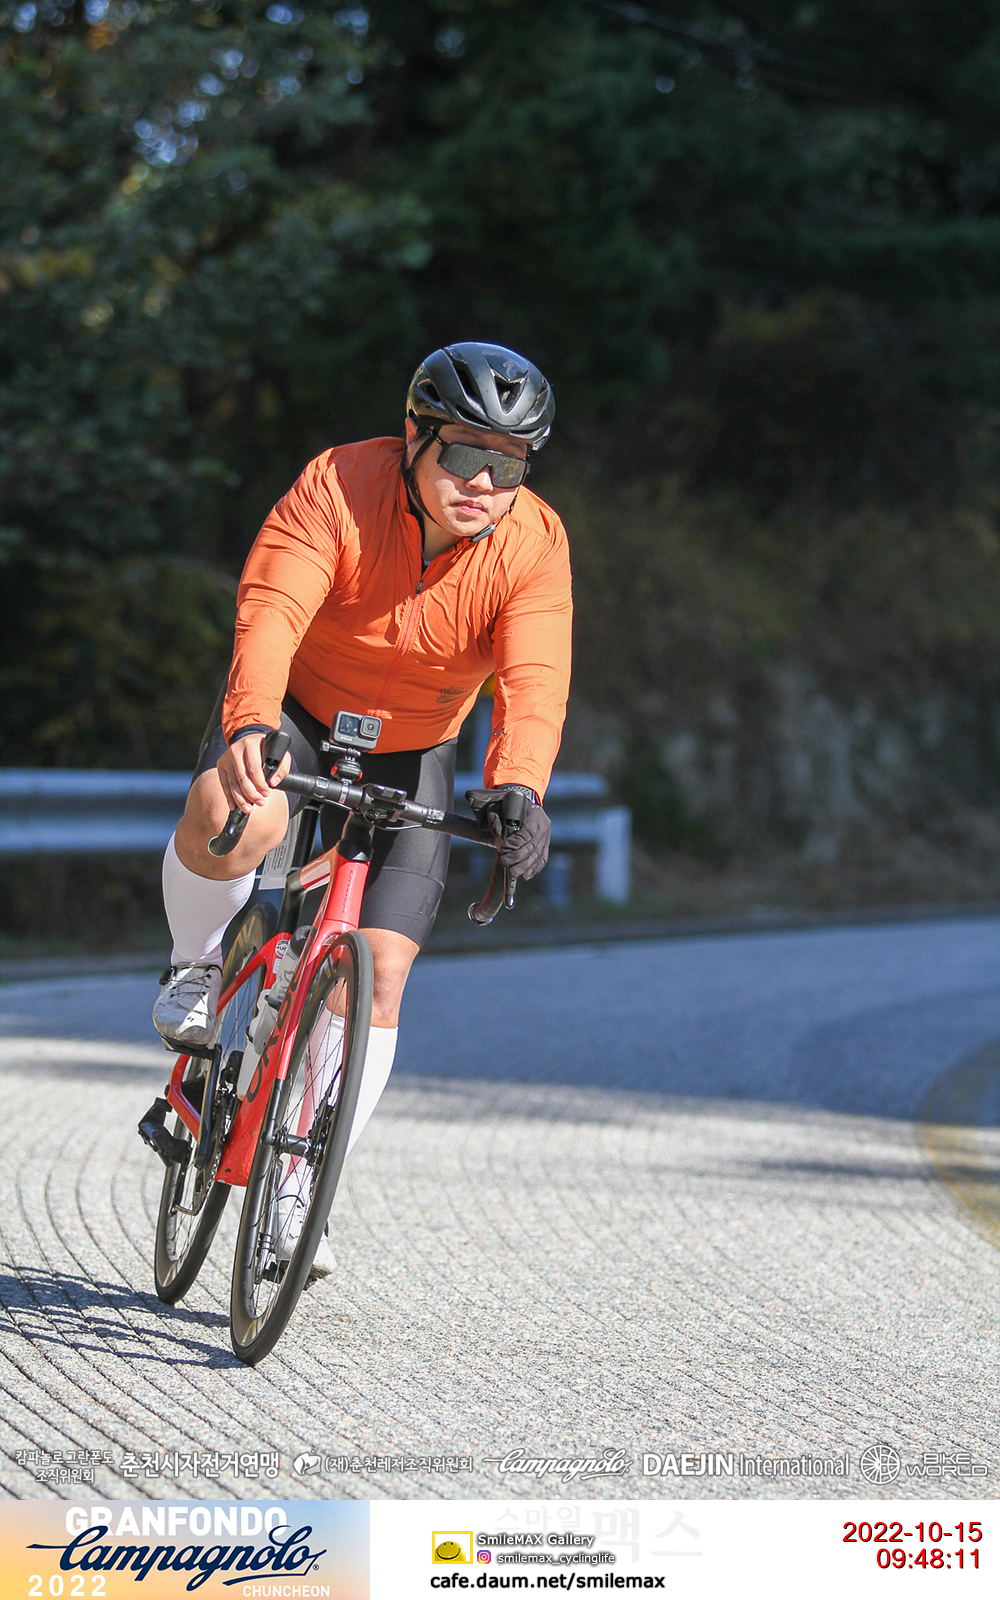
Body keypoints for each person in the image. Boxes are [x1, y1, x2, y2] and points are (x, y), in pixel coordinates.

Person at [151, 341, 573, 1267]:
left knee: (380, 971)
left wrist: (519, 785)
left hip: (417, 743)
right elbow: (272, 608)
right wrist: (251, 722)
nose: (484, 483)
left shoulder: (534, 543)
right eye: (466, 454)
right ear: (414, 436)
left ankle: (299, 1181)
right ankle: (195, 964)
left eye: (509, 466)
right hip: (295, 710)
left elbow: (535, 678)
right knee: (241, 813)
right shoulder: (338, 485)